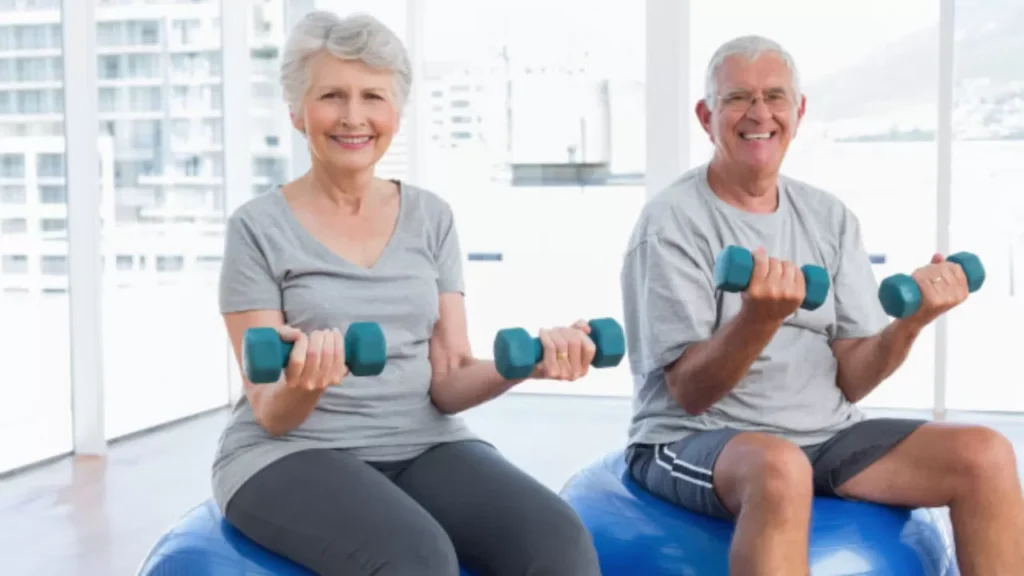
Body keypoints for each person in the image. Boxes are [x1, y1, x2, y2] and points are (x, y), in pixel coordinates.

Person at [212, 11, 600, 576]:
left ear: (395, 113)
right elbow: (272, 411)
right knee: (416, 559)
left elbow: (448, 378)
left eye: (373, 96)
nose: (353, 117)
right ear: (297, 112)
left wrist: (530, 364)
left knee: (558, 542)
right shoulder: (256, 228)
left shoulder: (430, 217)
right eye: (331, 96)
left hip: (422, 441)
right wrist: (307, 381)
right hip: (287, 452)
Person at [620, 34, 1024, 575]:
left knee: (986, 454)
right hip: (692, 437)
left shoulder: (828, 217)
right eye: (737, 97)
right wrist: (758, 321)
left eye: (775, 96)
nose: (758, 113)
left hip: (826, 435)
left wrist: (911, 322)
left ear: (798, 110)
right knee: (780, 467)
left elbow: (853, 377)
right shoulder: (672, 221)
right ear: (705, 115)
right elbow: (689, 393)